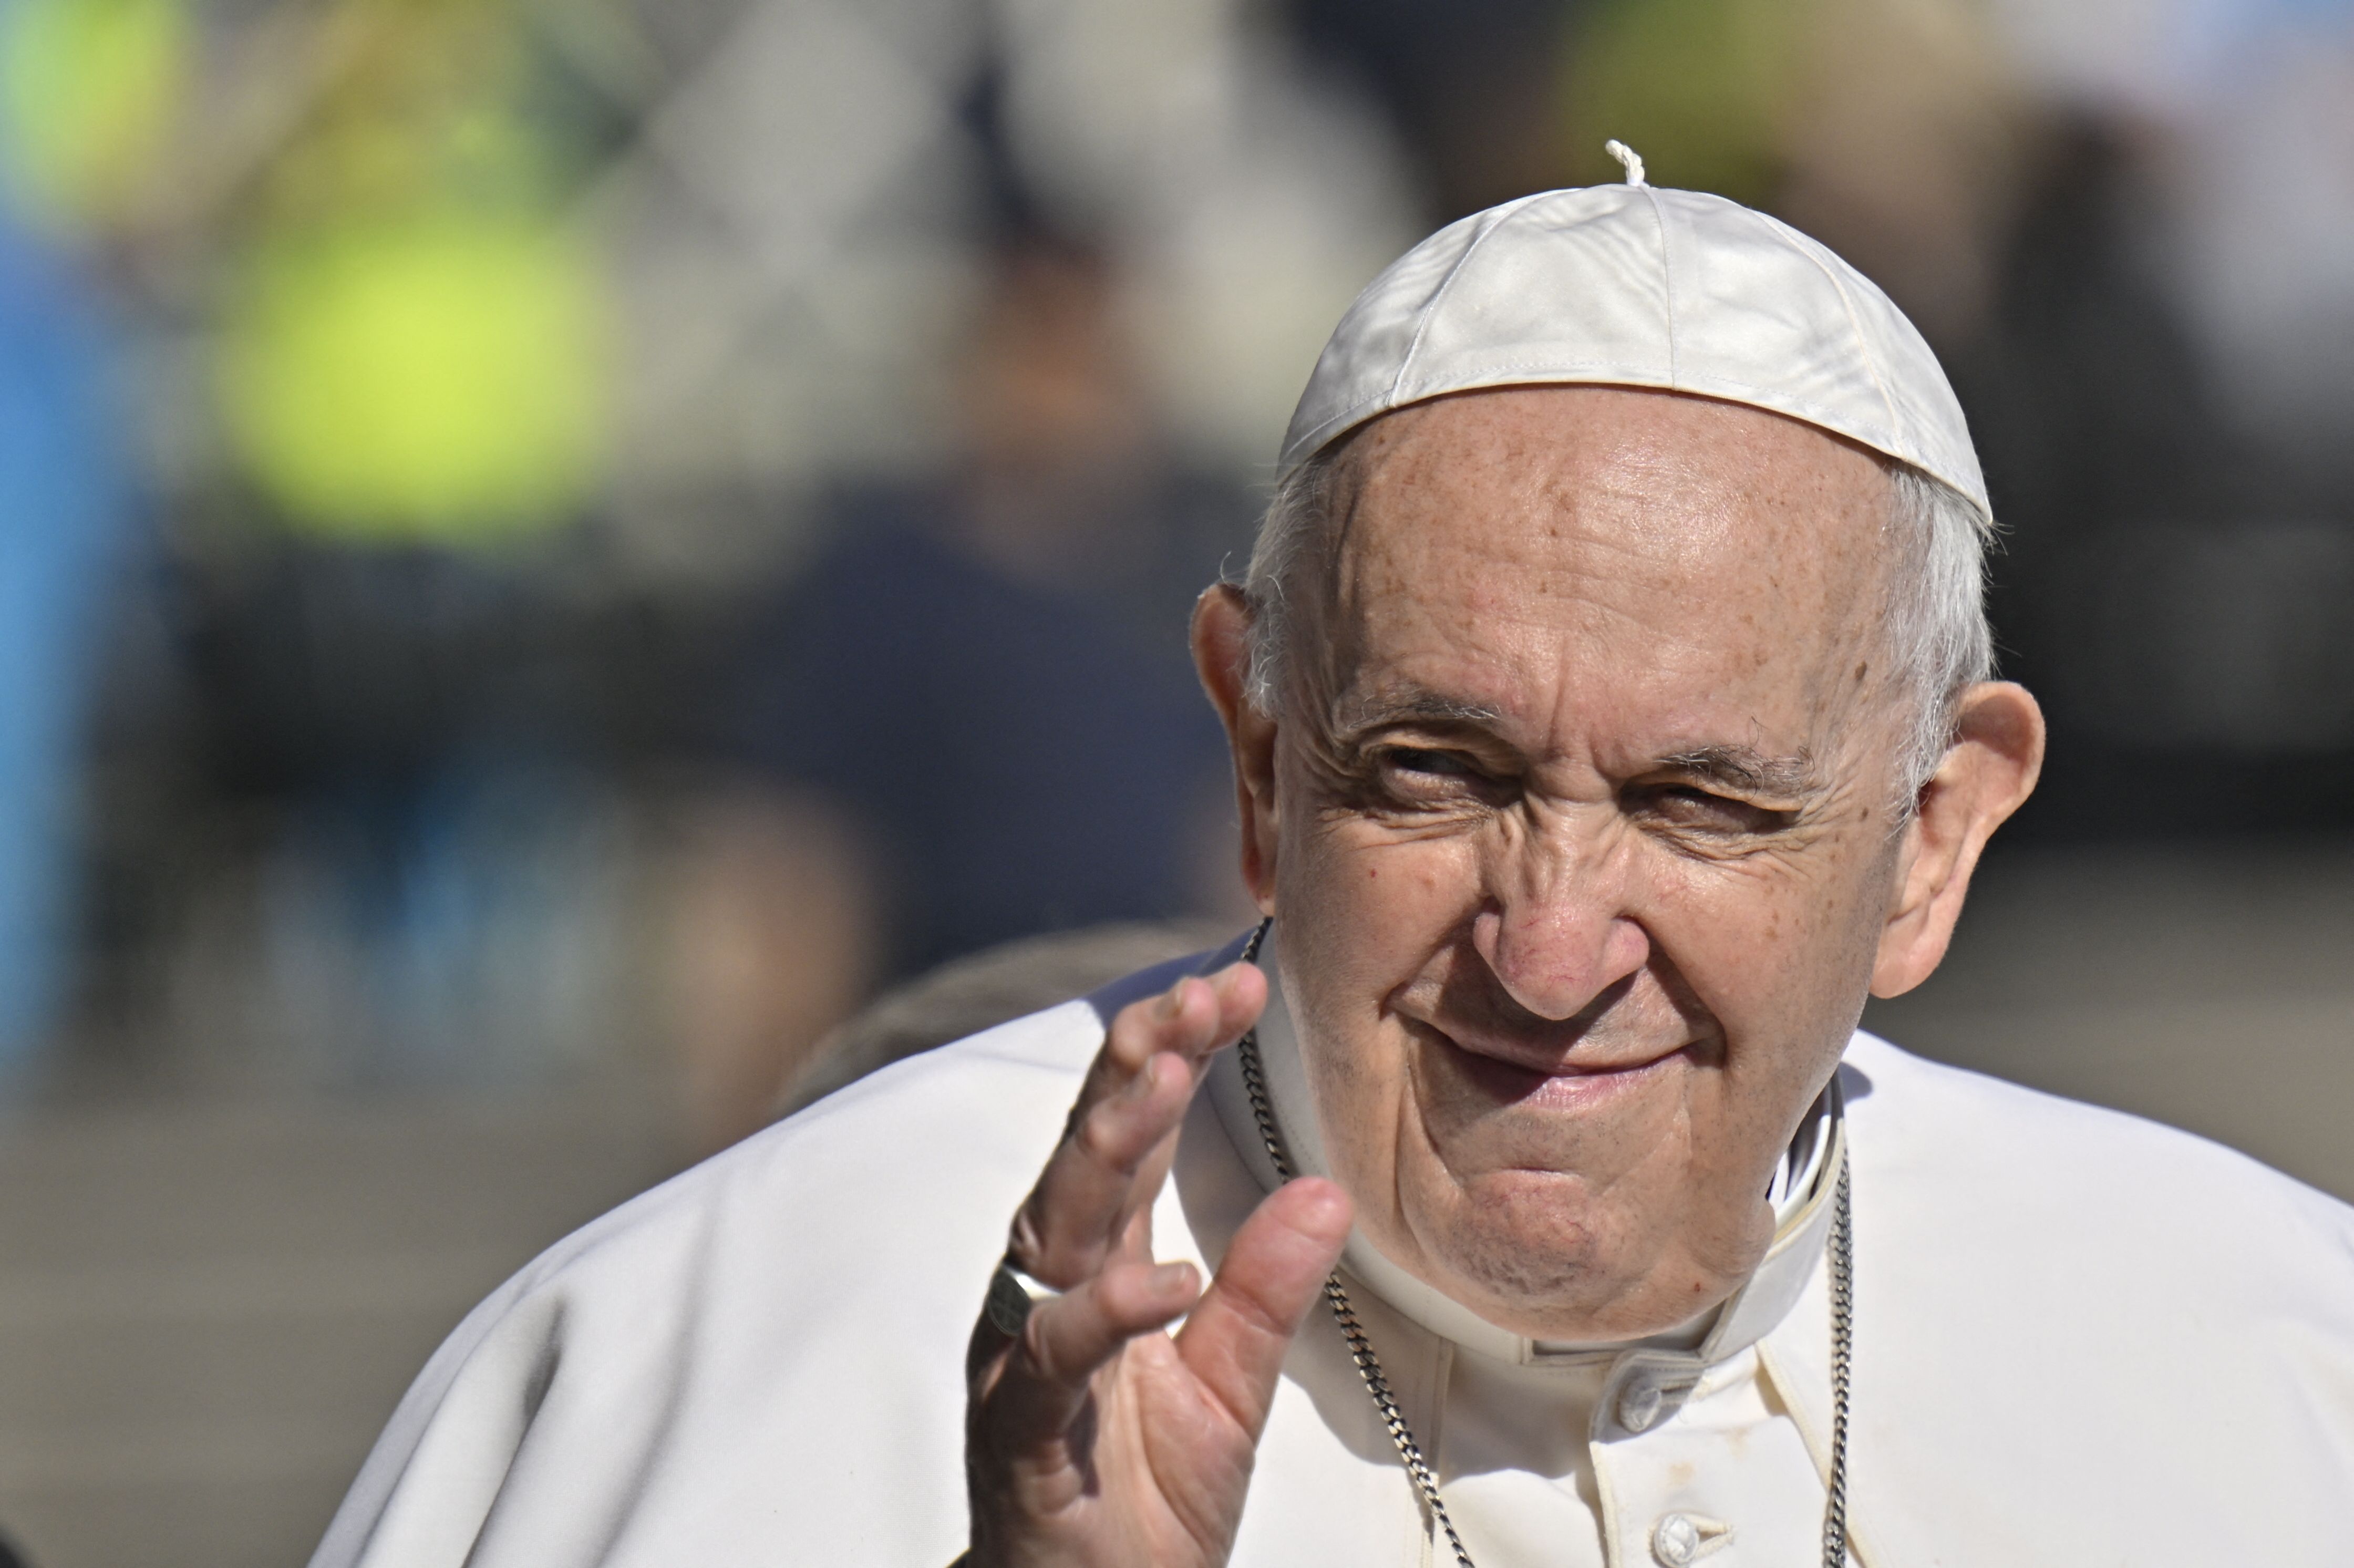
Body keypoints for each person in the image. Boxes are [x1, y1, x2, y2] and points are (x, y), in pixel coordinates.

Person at [308, 161, 2354, 1568]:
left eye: (1699, 802)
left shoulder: (2273, 1356)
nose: (1548, 948)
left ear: (1930, 834)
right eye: (1434, 771)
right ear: (1258, 756)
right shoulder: (720, 1338)